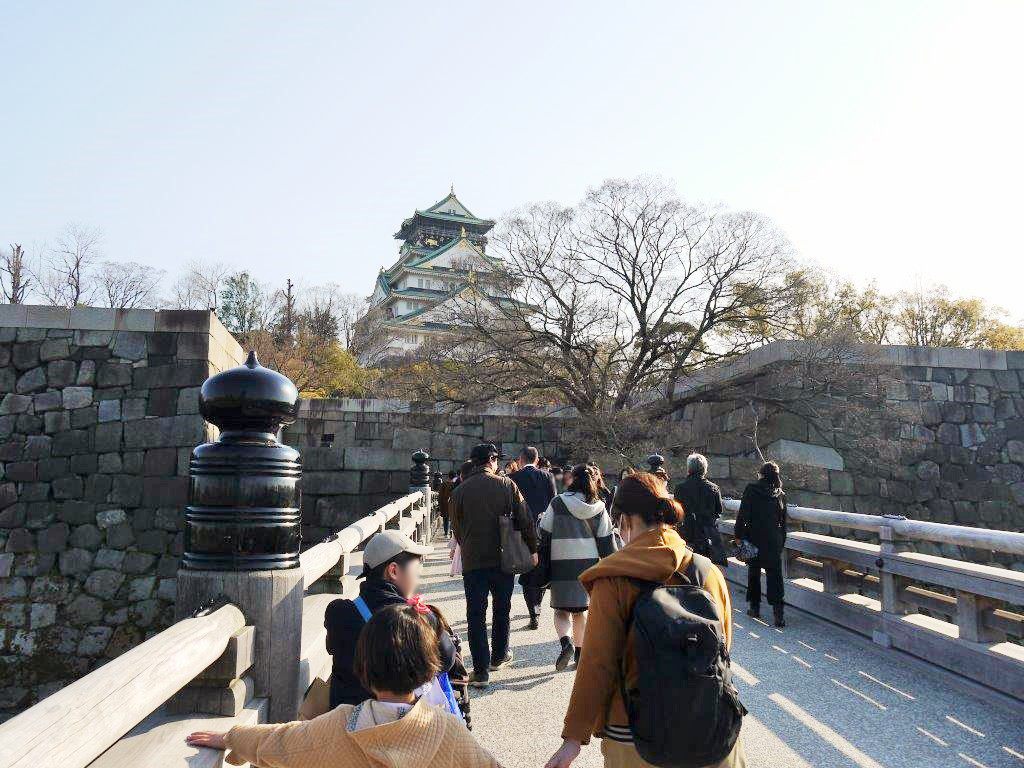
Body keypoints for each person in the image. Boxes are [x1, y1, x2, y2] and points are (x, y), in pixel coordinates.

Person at [544, 472, 742, 768]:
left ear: (625, 521)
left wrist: (573, 738)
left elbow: (597, 664)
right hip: (709, 729)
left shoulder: (614, 580)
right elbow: (724, 646)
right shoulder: (706, 571)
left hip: (634, 733)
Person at [187, 604, 500, 768]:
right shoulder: (447, 732)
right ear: (427, 670)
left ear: (363, 666)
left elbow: (281, 741)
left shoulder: (341, 726)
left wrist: (232, 736)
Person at [323, 530, 456, 709]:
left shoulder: (339, 613)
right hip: (399, 727)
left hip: (351, 724)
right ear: (393, 570)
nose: (418, 575)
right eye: (416, 567)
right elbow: (447, 660)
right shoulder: (420, 619)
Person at [450, 443, 539, 689]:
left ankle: (480, 671)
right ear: (491, 460)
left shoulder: (459, 491)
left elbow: (456, 529)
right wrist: (533, 549)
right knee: (502, 608)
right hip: (503, 558)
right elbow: (525, 519)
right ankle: (499, 656)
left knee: (475, 614)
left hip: (474, 560)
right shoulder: (507, 485)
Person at [539, 464, 618, 671]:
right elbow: (606, 542)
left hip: (561, 561)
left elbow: (544, 531)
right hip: (587, 566)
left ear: (572, 479)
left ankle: (566, 644)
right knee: (580, 611)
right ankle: (581, 654)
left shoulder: (558, 503)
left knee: (561, 610)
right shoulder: (599, 507)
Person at [509, 446, 558, 629]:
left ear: (520, 459)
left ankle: (532, 612)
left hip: (521, 532)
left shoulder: (513, 478)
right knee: (541, 571)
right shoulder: (547, 476)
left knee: (527, 572)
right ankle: (537, 606)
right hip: (544, 530)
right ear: (537, 460)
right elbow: (554, 502)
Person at [734, 461, 788, 627]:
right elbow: (783, 522)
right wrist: (781, 541)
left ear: (761, 474)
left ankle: (755, 607)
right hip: (773, 540)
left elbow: (742, 515)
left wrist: (738, 536)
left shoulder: (751, 489)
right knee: (775, 576)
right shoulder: (780, 494)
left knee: (754, 572)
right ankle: (778, 614)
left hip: (754, 538)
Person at [674, 453, 728, 568]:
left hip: (687, 534)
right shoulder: (713, 488)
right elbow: (718, 511)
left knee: (686, 568)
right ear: (705, 469)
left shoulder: (680, 488)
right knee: (705, 570)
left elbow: (677, 512)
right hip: (706, 536)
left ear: (689, 469)